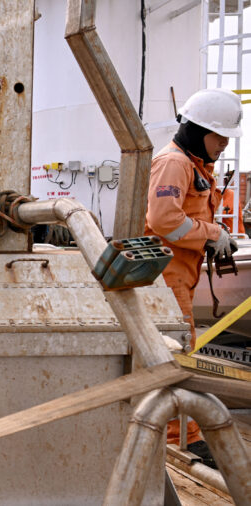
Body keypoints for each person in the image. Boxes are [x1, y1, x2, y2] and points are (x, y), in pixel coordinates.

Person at [145, 87, 242, 465]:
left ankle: (179, 434)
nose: (223, 146)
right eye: (220, 137)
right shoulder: (174, 163)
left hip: (179, 278)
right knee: (178, 357)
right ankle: (181, 441)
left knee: (177, 353)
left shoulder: (195, 166)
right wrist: (214, 234)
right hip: (167, 280)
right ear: (201, 130)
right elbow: (163, 220)